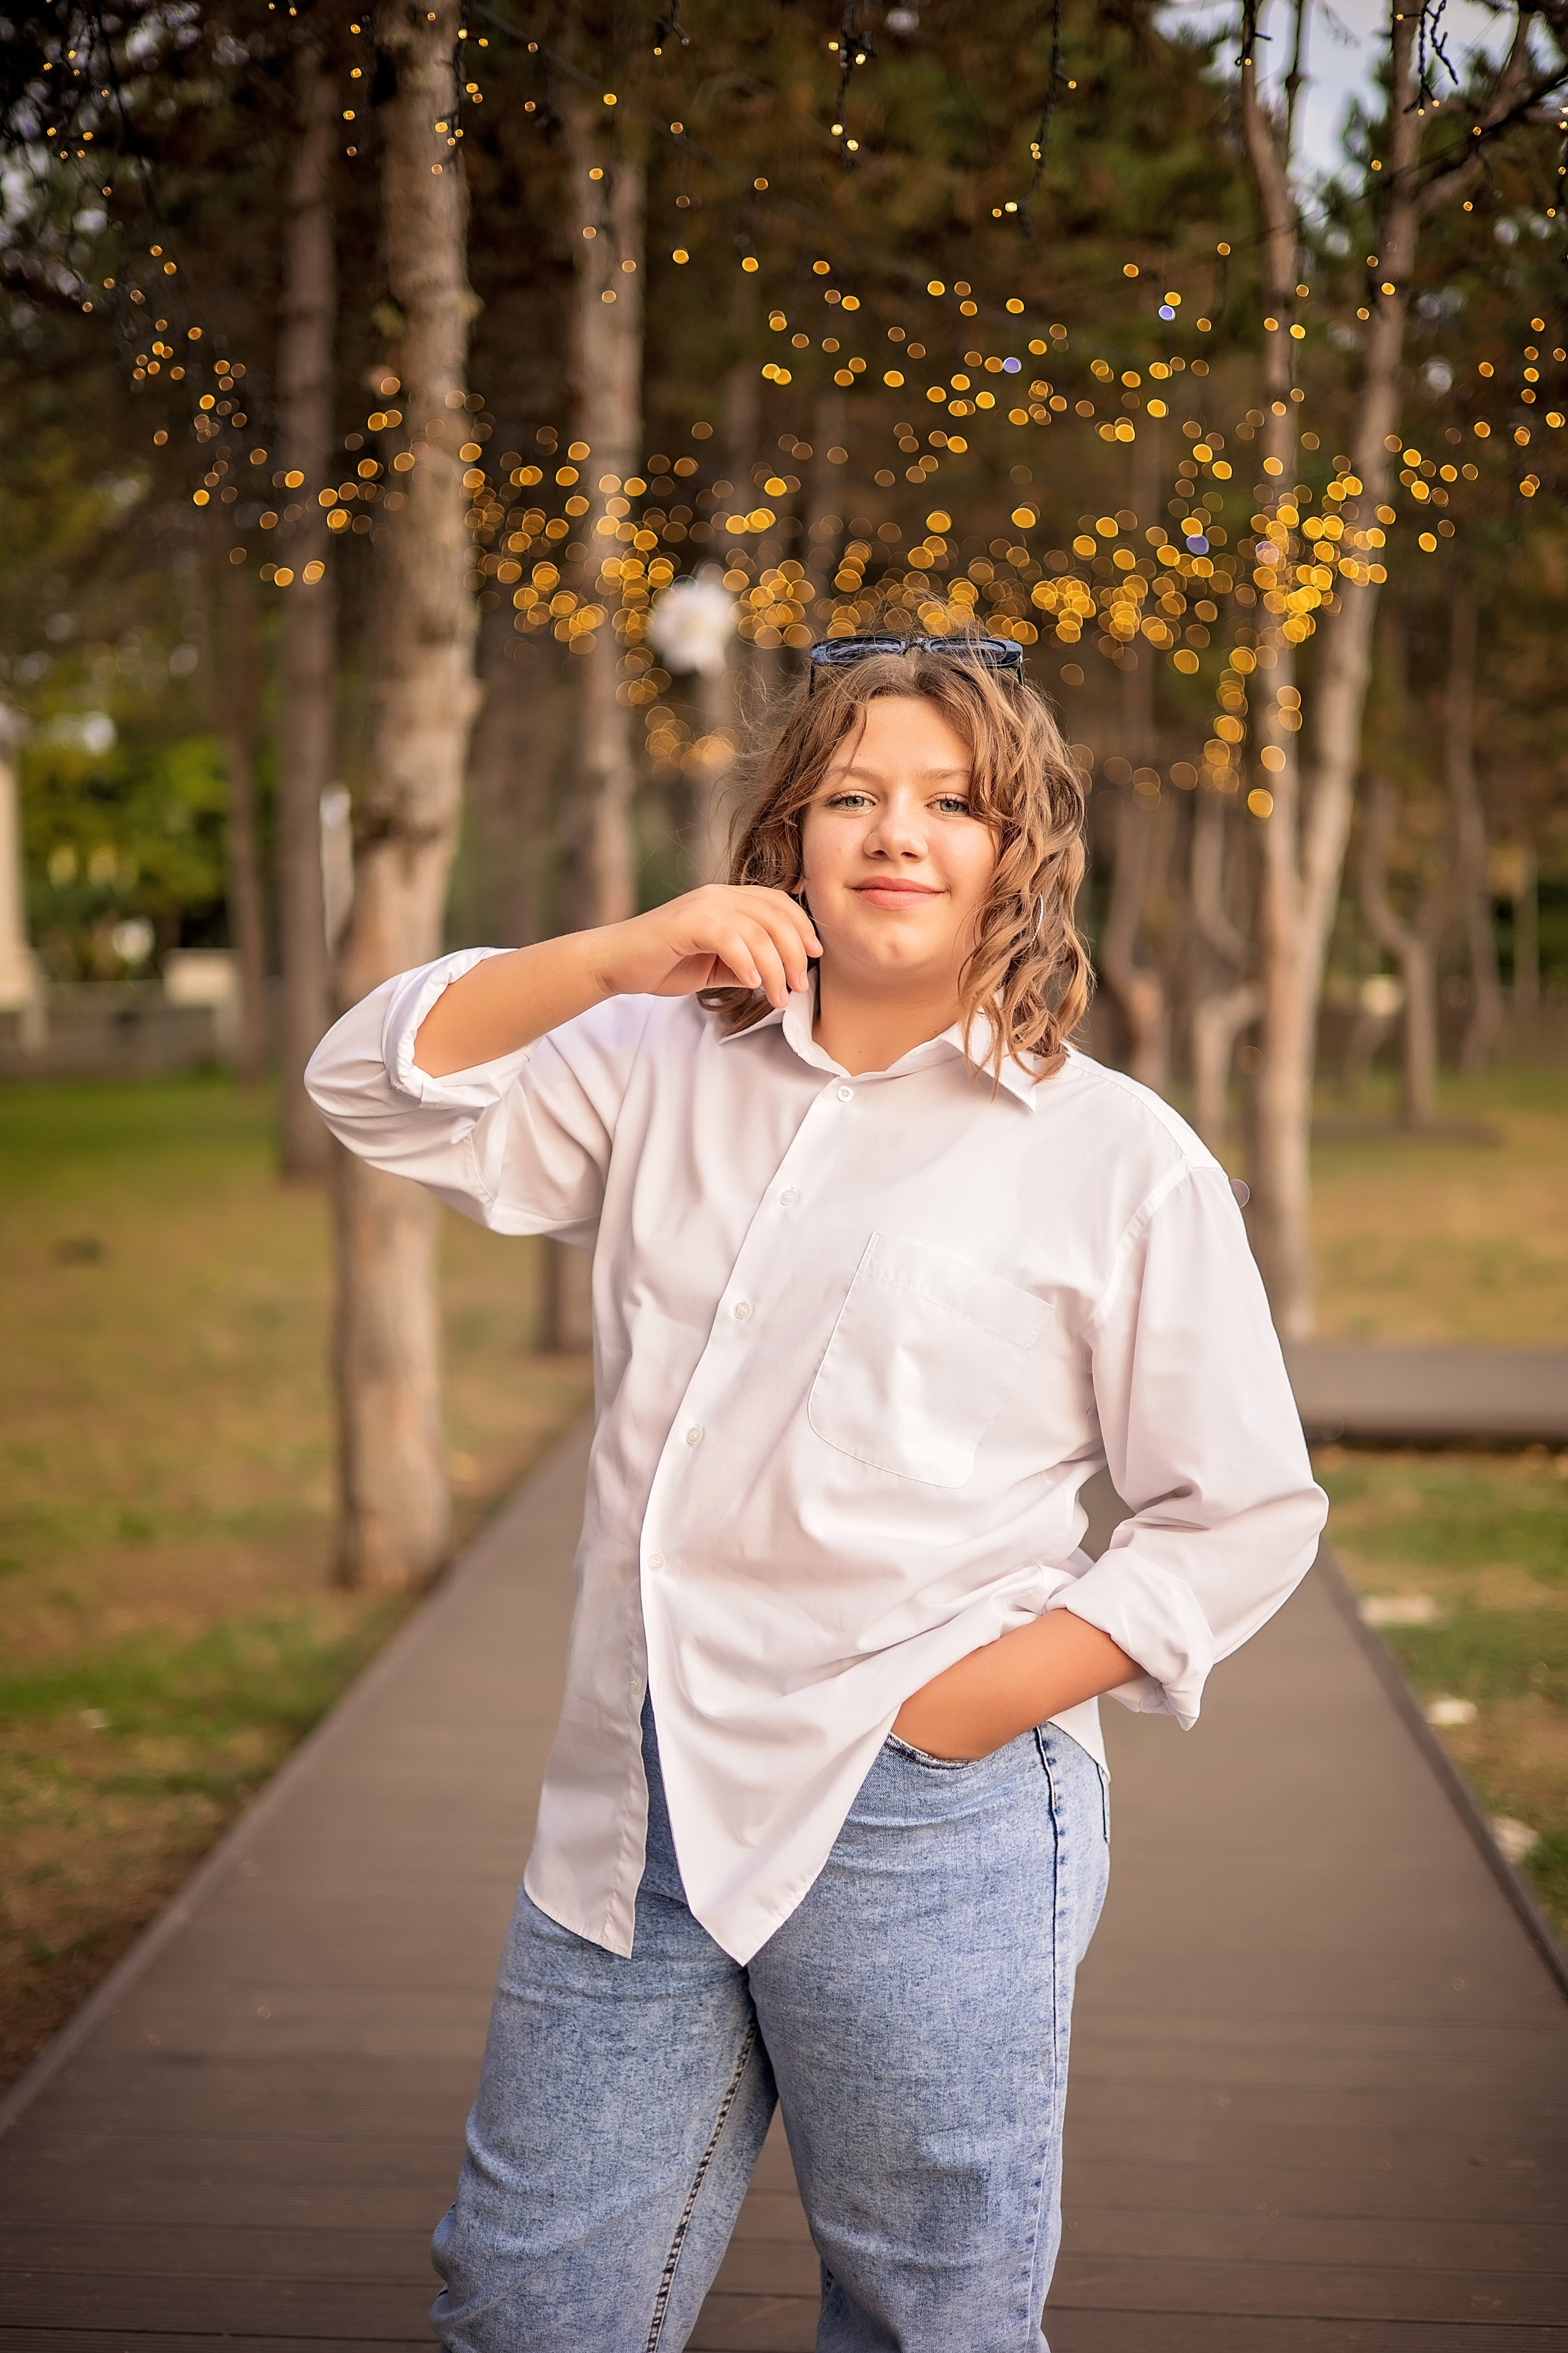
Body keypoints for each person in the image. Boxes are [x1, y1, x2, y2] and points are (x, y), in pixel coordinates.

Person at [305, 636, 1325, 2353]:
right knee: (527, 2300)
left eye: (950, 801)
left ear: (1019, 848)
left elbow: (1242, 1508)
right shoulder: (650, 1063)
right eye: (850, 793)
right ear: (784, 836)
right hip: (633, 1801)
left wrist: (960, 1709)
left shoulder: (1110, 1150)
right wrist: (619, 955)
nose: (896, 833)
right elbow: (370, 1083)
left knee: (926, 2315)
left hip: (924, 1808)